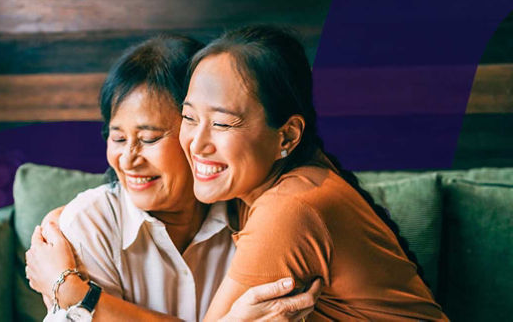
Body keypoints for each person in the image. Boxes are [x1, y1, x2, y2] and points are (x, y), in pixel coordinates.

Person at [24, 34, 320, 322]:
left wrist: (78, 295)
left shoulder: (258, 216)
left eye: (150, 139)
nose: (128, 159)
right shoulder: (86, 228)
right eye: (117, 138)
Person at [178, 25, 447, 321]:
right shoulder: (267, 183)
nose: (197, 143)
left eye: (222, 123)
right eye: (189, 117)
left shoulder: (289, 209)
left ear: (287, 136)